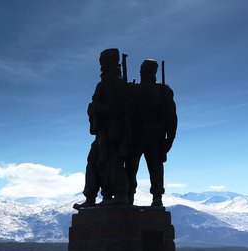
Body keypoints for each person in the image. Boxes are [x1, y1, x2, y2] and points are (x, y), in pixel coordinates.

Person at [74, 48, 128, 209]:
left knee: (112, 162)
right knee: (94, 161)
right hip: (102, 132)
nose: (101, 67)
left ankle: (119, 195)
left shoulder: (113, 84)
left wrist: (96, 106)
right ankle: (91, 197)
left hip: (113, 132)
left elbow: (116, 109)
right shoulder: (105, 84)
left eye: (103, 63)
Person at [126, 59, 177, 207]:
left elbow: (171, 115)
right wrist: (170, 137)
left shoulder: (133, 90)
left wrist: (170, 137)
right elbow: (172, 117)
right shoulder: (161, 90)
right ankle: (154, 197)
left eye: (144, 69)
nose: (142, 72)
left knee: (137, 167)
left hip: (142, 136)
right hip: (149, 136)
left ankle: (138, 197)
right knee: (149, 168)